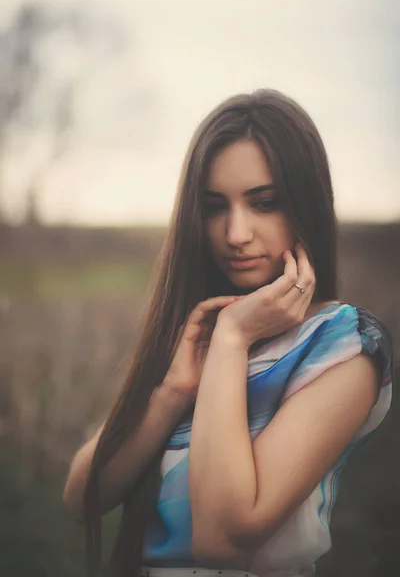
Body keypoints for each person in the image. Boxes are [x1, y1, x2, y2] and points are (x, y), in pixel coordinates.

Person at [63, 89, 393, 577]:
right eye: (215, 206)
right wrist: (173, 392)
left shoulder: (346, 345)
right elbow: (83, 498)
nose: (236, 233)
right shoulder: (195, 333)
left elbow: (223, 538)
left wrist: (234, 340)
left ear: (307, 203)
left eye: (263, 203)